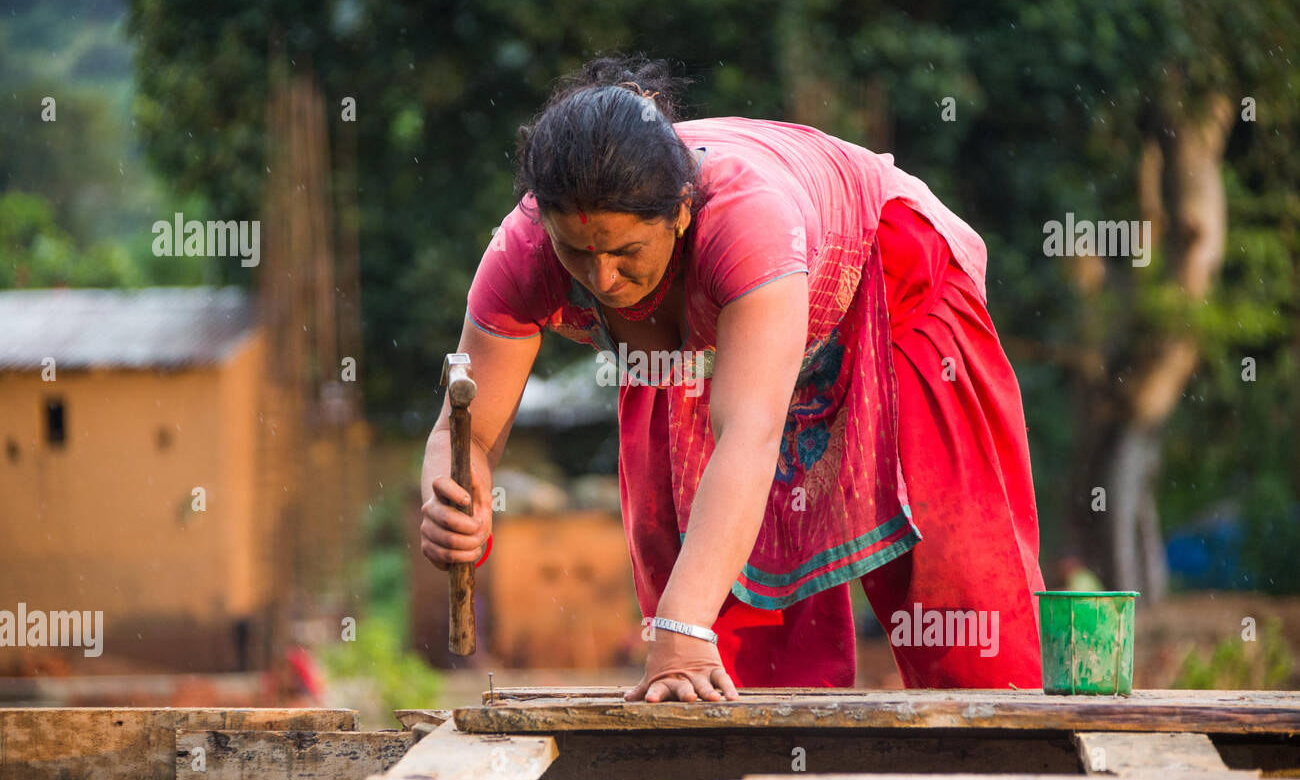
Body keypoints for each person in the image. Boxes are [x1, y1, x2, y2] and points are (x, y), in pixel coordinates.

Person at [420, 54, 1045, 701]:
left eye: (625, 253)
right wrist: (452, 500)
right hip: (702, 346)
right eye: (577, 253)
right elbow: (465, 432)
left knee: (961, 594)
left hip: (891, 289)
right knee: (712, 611)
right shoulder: (521, 251)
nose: (600, 279)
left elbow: (748, 434)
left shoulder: (746, 219)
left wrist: (682, 627)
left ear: (682, 213)